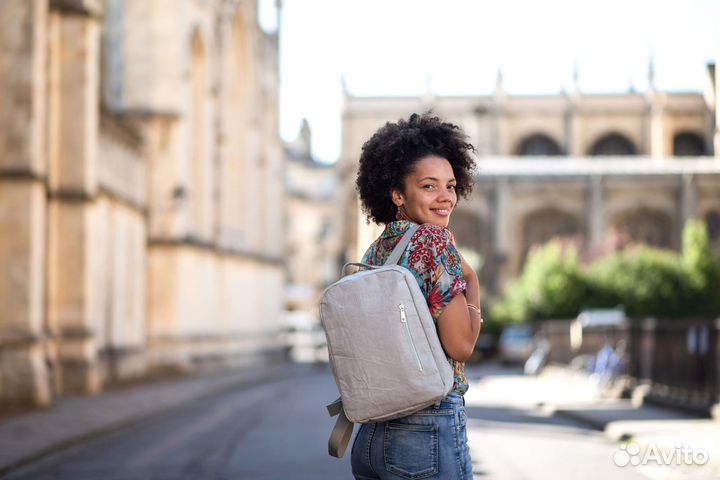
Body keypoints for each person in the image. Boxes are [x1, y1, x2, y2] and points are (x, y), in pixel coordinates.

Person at [350, 112, 482, 480]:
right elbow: (460, 346)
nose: (445, 198)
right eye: (429, 186)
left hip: (370, 434)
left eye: (451, 186)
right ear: (397, 194)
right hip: (425, 430)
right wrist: (471, 279)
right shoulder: (432, 241)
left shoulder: (376, 252)